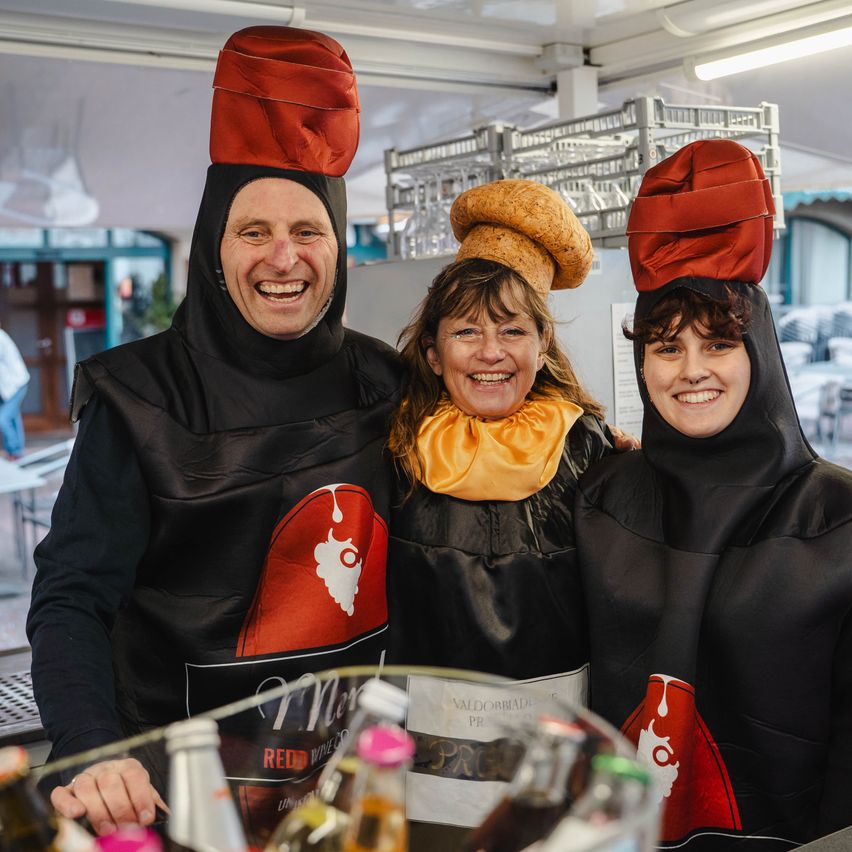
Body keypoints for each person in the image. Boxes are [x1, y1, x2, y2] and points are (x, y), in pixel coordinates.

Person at [27, 26, 401, 836]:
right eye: (252, 231)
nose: (283, 258)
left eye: (308, 231)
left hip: (356, 778)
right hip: (180, 786)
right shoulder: (140, 396)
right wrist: (93, 749)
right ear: (213, 247)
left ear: (338, 246)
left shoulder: (390, 380)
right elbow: (70, 600)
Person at [574, 139, 852, 849]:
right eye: (667, 347)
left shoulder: (838, 518)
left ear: (758, 352)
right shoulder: (601, 500)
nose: (691, 370)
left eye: (717, 343)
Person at [387, 178, 611, 692]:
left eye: (512, 330)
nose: (491, 353)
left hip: (556, 724)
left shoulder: (585, 445)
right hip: (423, 726)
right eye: (466, 331)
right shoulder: (394, 443)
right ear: (432, 353)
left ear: (543, 344)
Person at [0, 321, 30, 460]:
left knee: (4, 419)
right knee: (12, 418)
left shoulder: (0, 337)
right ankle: (16, 452)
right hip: (8, 387)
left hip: (16, 384)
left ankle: (14, 452)